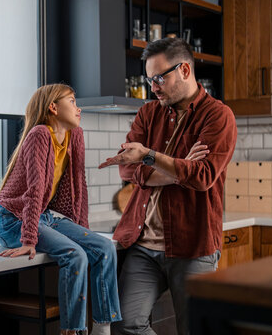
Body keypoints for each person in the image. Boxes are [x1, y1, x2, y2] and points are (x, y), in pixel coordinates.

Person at [99, 38, 237, 335]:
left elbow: (202, 176)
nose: (153, 87)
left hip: (193, 245)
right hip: (142, 245)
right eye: (150, 79)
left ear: (185, 69)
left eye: (160, 78)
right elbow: (126, 167)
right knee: (126, 325)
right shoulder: (149, 114)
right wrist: (179, 166)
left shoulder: (218, 115)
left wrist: (149, 156)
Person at [0, 84, 121, 335]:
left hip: (43, 217)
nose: (78, 107)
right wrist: (29, 239)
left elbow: (78, 187)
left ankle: (102, 328)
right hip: (13, 220)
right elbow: (34, 190)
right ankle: (72, 331)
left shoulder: (75, 136)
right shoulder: (40, 134)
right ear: (53, 107)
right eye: (72, 101)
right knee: (75, 255)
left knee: (104, 247)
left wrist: (81, 230)